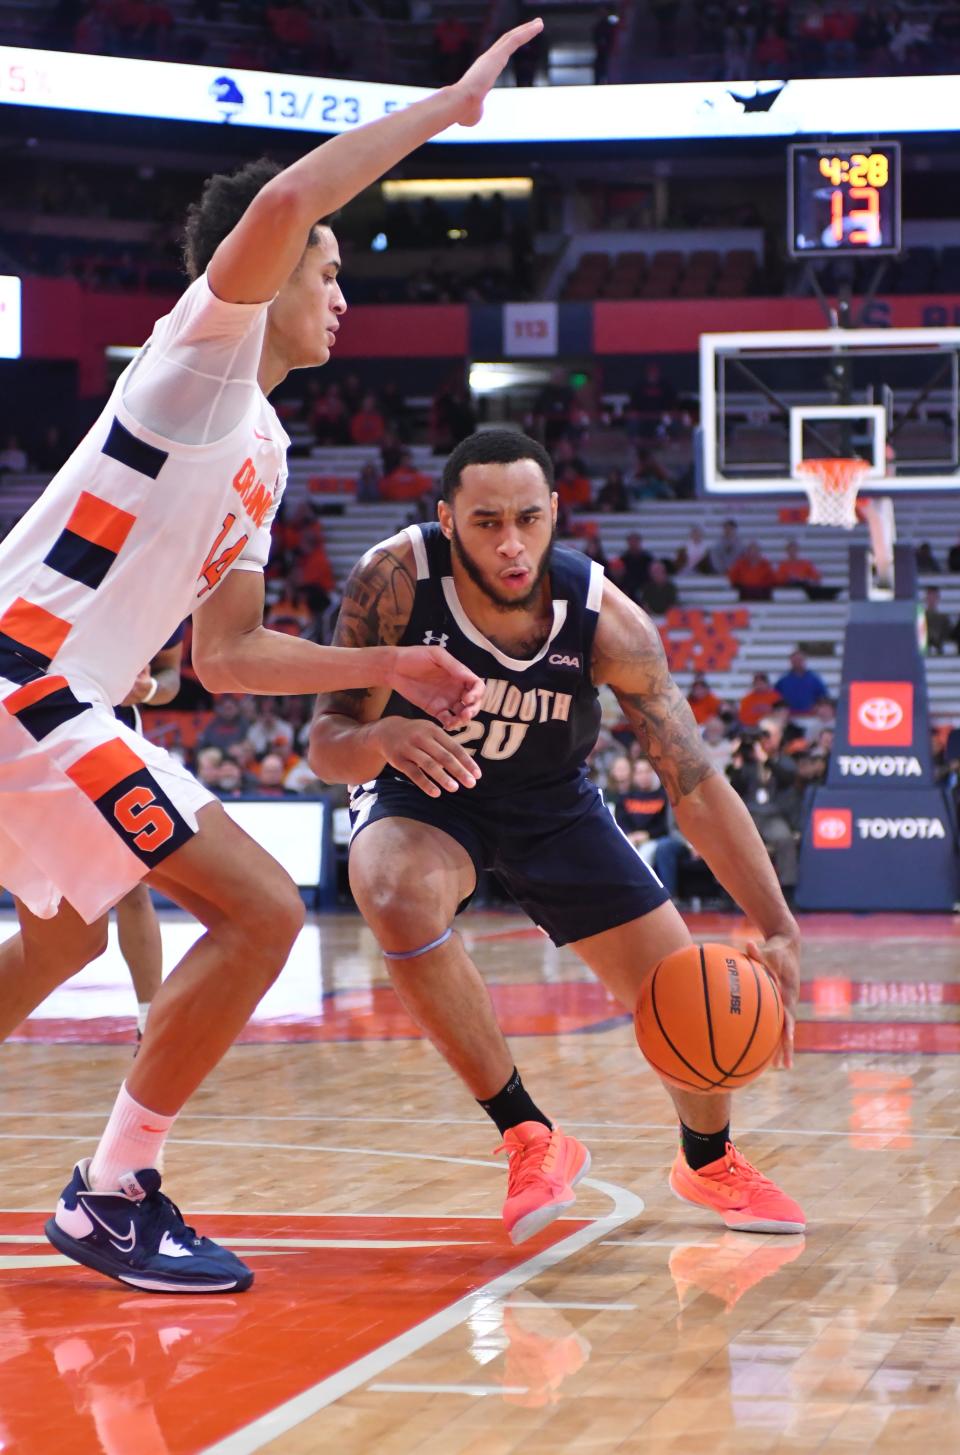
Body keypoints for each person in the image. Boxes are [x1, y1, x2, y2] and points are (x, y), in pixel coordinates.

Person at [0, 18, 549, 1294]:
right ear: (265, 273)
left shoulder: (264, 448)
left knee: (65, 941)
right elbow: (295, 190)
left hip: (49, 698)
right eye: (330, 272)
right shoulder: (200, 357)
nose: (344, 295)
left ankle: (113, 1190)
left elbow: (231, 657)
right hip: (28, 683)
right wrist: (448, 109)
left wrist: (400, 667)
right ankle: (115, 1192)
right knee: (255, 912)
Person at [310, 429, 804, 1251]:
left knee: (687, 991)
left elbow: (695, 782)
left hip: (554, 804)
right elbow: (326, 740)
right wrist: (381, 739)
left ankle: (708, 1158)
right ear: (446, 519)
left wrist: (779, 924)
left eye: (529, 519)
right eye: (486, 521)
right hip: (427, 789)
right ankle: (528, 1135)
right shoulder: (395, 583)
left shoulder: (608, 622)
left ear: (555, 515)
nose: (511, 542)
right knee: (392, 887)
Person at [113, 627, 186, 1042]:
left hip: (114, 740)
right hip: (28, 728)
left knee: (132, 887)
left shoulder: (162, 587)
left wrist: (149, 688)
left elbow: (170, 675)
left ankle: (149, 1021)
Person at [924, 586, 952, 654]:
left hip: (939, 648)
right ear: (926, 598)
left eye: (934, 597)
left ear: (938, 598)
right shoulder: (921, 618)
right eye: (930, 596)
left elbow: (947, 635)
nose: (932, 599)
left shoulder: (944, 618)